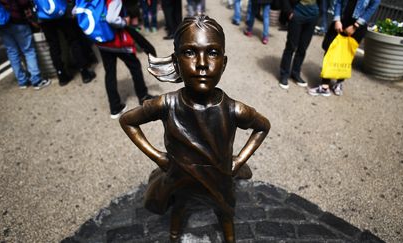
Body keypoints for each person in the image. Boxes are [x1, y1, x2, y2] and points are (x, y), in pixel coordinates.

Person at [119, 15, 270, 242]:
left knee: (225, 212)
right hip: (180, 178)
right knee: (180, 206)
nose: (201, 63)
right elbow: (128, 121)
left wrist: (238, 161)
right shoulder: (166, 104)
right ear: (176, 60)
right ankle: (174, 234)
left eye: (212, 52)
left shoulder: (234, 110)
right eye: (190, 52)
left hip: (220, 180)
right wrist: (159, 158)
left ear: (224, 62)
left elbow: (262, 127)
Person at [308, 0, 380, 96]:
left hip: (357, 26)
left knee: (346, 54)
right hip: (341, 20)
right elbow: (338, 2)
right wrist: (337, 20)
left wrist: (355, 26)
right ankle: (325, 86)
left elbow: (371, 9)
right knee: (329, 49)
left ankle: (339, 83)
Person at [98, 0, 154, 119]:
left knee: (110, 73)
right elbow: (112, 19)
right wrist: (123, 22)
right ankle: (143, 96)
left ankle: (115, 107)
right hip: (118, 42)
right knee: (135, 66)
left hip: (102, 40)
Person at [35, 0, 96, 86]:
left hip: (44, 15)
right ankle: (84, 72)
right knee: (73, 41)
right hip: (63, 11)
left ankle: (61, 76)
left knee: (53, 46)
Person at [0, 0, 50, 90]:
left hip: (2, 23)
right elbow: (23, 2)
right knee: (28, 50)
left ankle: (22, 81)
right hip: (17, 20)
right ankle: (36, 80)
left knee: (12, 52)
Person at [278, 0, 319, 90]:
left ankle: (295, 73)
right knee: (291, 46)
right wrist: (289, 12)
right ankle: (284, 74)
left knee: (303, 47)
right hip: (297, 13)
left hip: (313, 15)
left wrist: (319, 12)